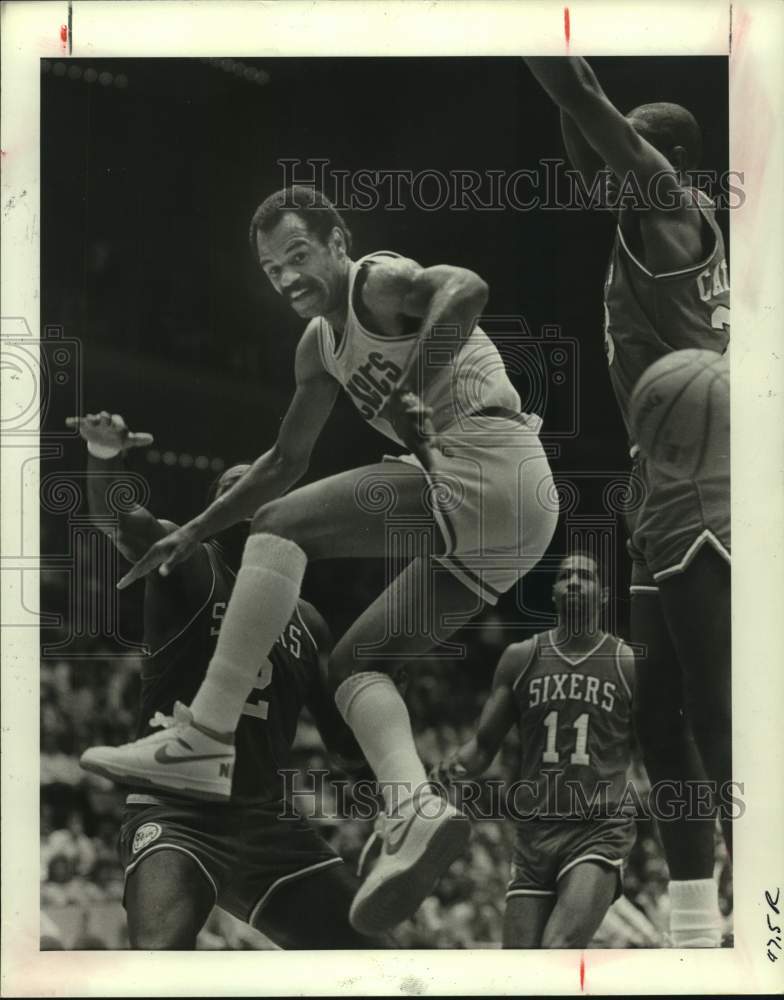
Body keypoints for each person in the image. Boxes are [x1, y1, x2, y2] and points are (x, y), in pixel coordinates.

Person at [80, 187, 558, 933]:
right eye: (272, 270)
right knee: (355, 665)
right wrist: (196, 529)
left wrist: (407, 386)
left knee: (278, 529)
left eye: (299, 255)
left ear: (339, 243)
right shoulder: (318, 348)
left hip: (487, 456)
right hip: (517, 520)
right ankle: (411, 809)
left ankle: (202, 737)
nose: (288, 278)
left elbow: (466, 287)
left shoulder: (375, 283)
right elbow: (282, 461)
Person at [523, 57, 731, 946]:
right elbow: (582, 131)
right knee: (657, 711)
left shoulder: (670, 209)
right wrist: (583, 110)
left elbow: (580, 99)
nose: (601, 166)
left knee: (718, 705)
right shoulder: (639, 220)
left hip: (707, 479)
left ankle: (766, 895)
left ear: (657, 157)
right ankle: (694, 921)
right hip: (659, 479)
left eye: (624, 149)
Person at [74, 411, 387, 949]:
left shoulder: (308, 620)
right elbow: (117, 519)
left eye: (259, 483)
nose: (248, 489)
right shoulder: (191, 559)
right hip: (176, 810)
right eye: (231, 485)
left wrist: (392, 785)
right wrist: (104, 455)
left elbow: (343, 746)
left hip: (265, 822)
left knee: (378, 959)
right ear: (217, 509)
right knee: (158, 961)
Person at [434, 552, 636, 948]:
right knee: (519, 972)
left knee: (556, 950)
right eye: (565, 576)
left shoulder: (625, 662)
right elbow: (482, 747)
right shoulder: (521, 658)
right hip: (535, 832)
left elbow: (662, 739)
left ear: (604, 595)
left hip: (598, 826)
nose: (574, 582)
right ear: (554, 592)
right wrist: (445, 772)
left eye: (586, 577)